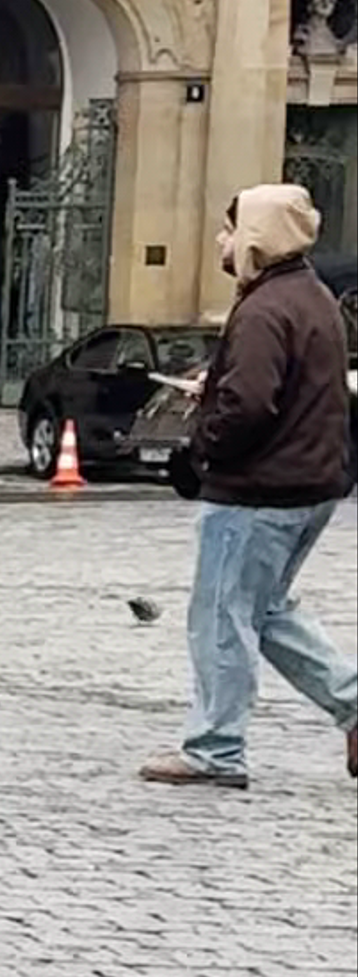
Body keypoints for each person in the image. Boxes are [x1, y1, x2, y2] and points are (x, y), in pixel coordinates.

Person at [141, 186, 357, 791]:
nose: (221, 240)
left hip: (258, 490)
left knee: (221, 619)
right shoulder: (312, 295)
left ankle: (216, 748)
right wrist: (223, 386)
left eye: (229, 229)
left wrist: (204, 442)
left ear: (257, 237)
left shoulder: (264, 308)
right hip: (310, 484)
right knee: (266, 613)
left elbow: (249, 406)